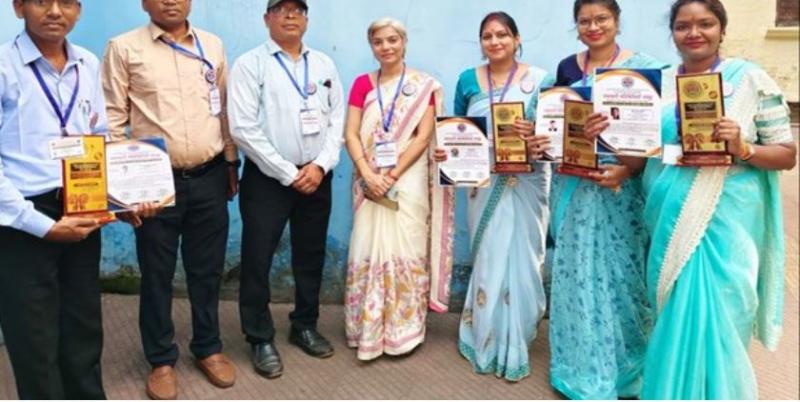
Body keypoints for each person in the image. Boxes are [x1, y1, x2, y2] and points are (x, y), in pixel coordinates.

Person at [638, 0, 797, 398]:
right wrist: (605, 133)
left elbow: (786, 154)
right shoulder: (657, 85)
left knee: (726, 309)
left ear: (722, 29)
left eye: (705, 24)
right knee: (674, 310)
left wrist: (744, 148)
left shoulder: (751, 80)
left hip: (729, 220)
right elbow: (640, 154)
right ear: (673, 33)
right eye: (683, 26)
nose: (694, 33)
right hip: (669, 214)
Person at [0, 0, 152, 398]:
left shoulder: (86, 62)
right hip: (22, 217)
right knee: (33, 334)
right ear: (18, 7)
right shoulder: (4, 66)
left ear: (79, 11)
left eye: (66, 2)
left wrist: (118, 199)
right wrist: (43, 225)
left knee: (83, 324)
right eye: (41, 1)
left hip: (82, 205)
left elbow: (96, 136)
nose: (55, 11)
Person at [102, 0, 240, 398]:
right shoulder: (124, 47)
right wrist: (123, 192)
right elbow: (112, 118)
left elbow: (223, 109)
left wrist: (231, 162)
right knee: (157, 273)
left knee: (207, 270)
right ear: (144, 3)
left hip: (210, 174)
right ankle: (161, 358)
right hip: (153, 184)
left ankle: (208, 347)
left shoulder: (212, 44)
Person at [546, 0, 668, 398]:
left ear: (616, 21)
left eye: (601, 18)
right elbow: (555, 125)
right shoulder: (566, 69)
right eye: (584, 20)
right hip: (575, 187)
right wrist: (541, 141)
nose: (593, 26)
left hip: (621, 188)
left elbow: (656, 132)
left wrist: (626, 169)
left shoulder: (643, 70)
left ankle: (628, 368)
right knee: (576, 273)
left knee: (624, 275)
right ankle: (581, 368)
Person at [228, 0, 345, 379]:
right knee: (257, 258)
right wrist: (286, 172)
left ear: (306, 19)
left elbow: (337, 120)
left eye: (298, 9)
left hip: (316, 176)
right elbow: (242, 127)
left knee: (310, 255)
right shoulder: (250, 64)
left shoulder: (324, 64)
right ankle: (259, 336)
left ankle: (305, 325)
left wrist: (320, 165)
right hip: (268, 180)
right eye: (281, 9)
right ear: (267, 18)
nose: (290, 15)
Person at [435, 11, 553, 382]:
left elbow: (553, 135)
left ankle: (517, 337)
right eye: (487, 36)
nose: (495, 41)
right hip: (482, 182)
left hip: (528, 178)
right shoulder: (468, 80)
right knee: (489, 253)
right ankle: (485, 335)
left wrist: (534, 134)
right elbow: (460, 129)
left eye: (502, 34)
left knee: (525, 258)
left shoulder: (541, 80)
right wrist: (446, 152)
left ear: (517, 39)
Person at [343, 18, 455, 361]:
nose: (386, 47)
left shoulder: (423, 85)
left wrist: (390, 176)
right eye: (378, 41)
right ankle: (367, 328)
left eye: (392, 40)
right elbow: (350, 133)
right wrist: (368, 174)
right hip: (369, 179)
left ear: (404, 42)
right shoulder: (362, 84)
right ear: (371, 46)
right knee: (367, 244)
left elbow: (423, 137)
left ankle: (403, 330)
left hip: (406, 179)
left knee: (408, 244)